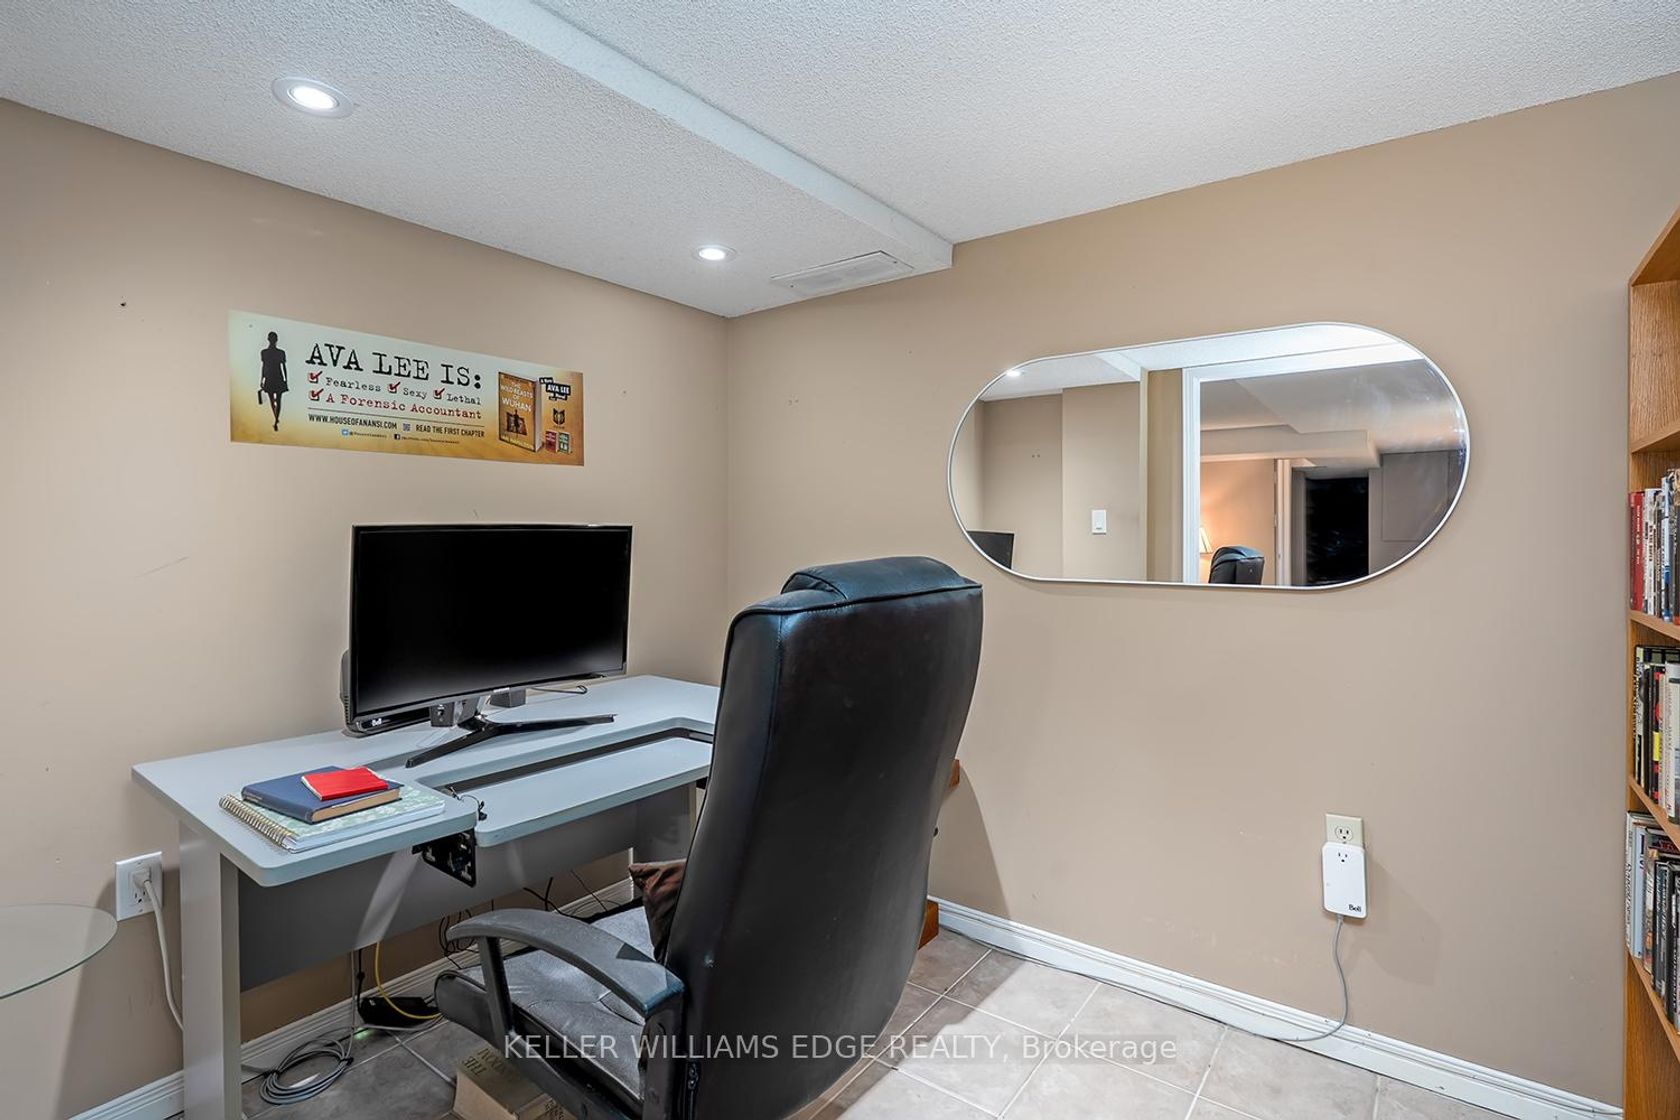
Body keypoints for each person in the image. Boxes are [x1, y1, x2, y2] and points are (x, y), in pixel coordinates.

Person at [259, 331, 287, 430]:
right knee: (278, 400)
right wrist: (286, 379)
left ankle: (276, 418)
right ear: (276, 340)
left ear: (268, 339)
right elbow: (283, 367)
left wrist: (262, 379)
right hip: (277, 376)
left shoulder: (265, 352)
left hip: (271, 376)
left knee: (273, 399)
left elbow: (264, 367)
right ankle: (276, 419)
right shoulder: (280, 352)